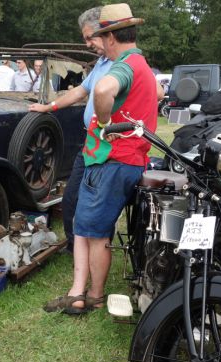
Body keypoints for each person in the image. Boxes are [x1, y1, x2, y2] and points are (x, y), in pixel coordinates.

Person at [44, 3, 158, 314]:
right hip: (118, 161)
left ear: (109, 37)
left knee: (94, 235)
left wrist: (105, 122)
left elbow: (104, 89)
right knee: (84, 228)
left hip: (112, 160)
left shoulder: (124, 64)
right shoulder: (141, 64)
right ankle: (78, 290)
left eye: (98, 38)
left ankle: (92, 295)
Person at [29, 6, 113, 255]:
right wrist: (48, 106)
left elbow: (156, 92)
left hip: (109, 145)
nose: (87, 43)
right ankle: (73, 246)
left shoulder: (125, 64)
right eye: (85, 38)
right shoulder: (102, 63)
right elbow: (79, 91)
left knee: (98, 204)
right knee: (70, 198)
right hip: (90, 142)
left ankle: (96, 247)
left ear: (108, 33)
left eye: (90, 37)